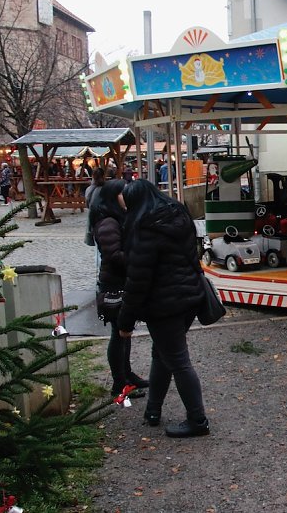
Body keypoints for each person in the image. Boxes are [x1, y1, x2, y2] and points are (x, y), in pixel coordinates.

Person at [116, 179, 209, 438]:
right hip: (189, 298)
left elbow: (137, 282)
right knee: (163, 354)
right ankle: (153, 410)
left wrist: (125, 323)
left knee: (177, 360)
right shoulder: (177, 213)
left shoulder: (144, 229)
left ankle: (198, 420)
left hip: (164, 306)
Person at [90, 179, 148, 398]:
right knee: (119, 334)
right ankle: (119, 384)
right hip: (114, 285)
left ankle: (127, 375)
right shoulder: (108, 223)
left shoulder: (116, 218)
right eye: (124, 194)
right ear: (114, 197)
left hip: (120, 282)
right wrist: (138, 257)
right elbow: (113, 255)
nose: (128, 197)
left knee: (125, 332)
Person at [84, 168, 106, 247]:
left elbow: (87, 205)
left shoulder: (89, 189)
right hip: (105, 218)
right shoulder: (106, 188)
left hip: (93, 219)